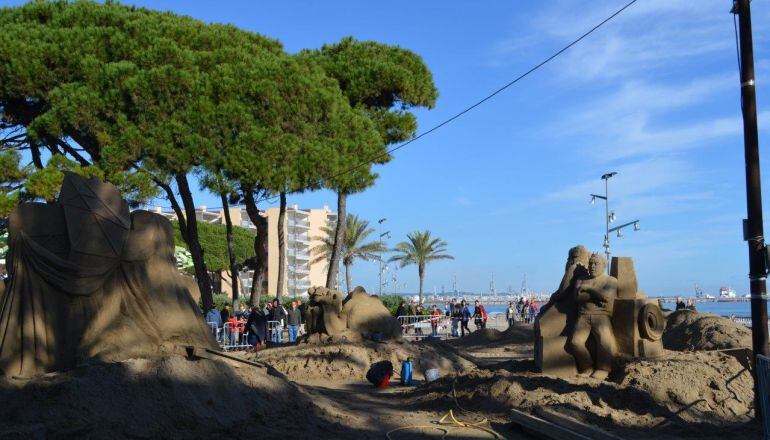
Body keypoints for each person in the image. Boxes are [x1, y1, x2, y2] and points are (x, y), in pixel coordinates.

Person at [569, 253, 618, 380]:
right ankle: (587, 367)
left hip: (601, 316)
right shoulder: (581, 279)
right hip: (583, 316)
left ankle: (603, 368)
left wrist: (588, 289)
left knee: (605, 341)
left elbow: (607, 297)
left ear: (603, 266)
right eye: (590, 263)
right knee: (575, 342)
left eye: (596, 264)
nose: (592, 266)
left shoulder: (610, 280)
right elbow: (578, 298)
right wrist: (598, 295)